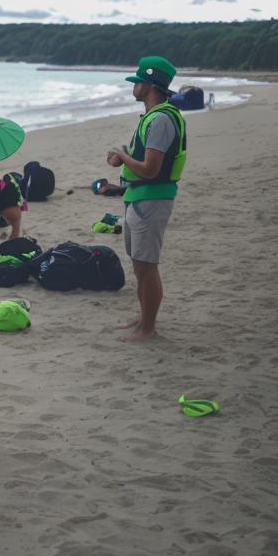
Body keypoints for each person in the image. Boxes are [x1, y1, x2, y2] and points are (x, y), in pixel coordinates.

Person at [107, 56, 187, 342]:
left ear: (151, 86)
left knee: (146, 265)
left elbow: (152, 170)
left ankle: (148, 327)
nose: (134, 85)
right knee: (139, 262)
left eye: (138, 81)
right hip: (139, 197)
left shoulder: (162, 119)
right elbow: (145, 163)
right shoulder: (155, 116)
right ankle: (144, 315)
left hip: (152, 199)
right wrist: (123, 160)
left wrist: (123, 155)